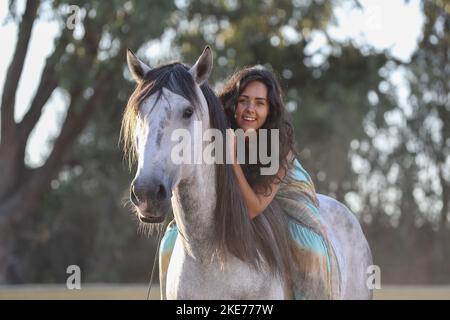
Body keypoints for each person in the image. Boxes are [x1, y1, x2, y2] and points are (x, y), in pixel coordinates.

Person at [159, 66, 339, 299]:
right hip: (230, 195)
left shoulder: (279, 148)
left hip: (283, 193)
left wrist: (231, 158)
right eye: (243, 100)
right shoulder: (218, 127)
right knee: (169, 241)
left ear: (269, 109)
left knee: (310, 250)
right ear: (234, 103)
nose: (250, 109)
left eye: (259, 103)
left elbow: (253, 208)